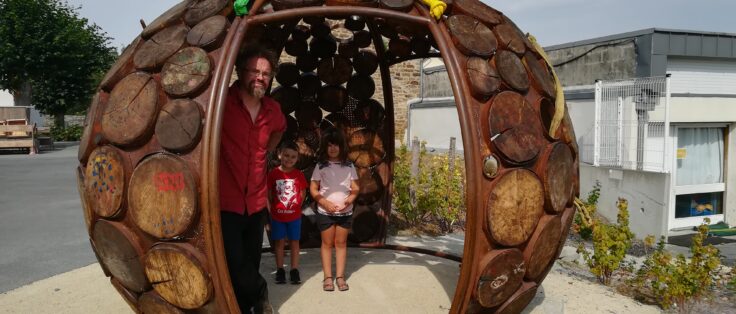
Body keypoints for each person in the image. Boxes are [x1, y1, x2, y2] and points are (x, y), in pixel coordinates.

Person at [219, 46, 285, 313]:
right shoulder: (222, 103)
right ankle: (260, 292)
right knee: (234, 261)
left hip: (256, 200)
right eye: (255, 71)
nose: (260, 78)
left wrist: (266, 151)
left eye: (266, 74)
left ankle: (247, 307)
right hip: (226, 199)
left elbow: (280, 130)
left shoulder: (272, 109)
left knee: (252, 259)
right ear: (240, 72)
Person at [309, 129, 359, 292]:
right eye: (329, 145)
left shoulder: (349, 166)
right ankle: (328, 277)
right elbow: (314, 189)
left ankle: (340, 277)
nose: (332, 148)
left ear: (342, 147)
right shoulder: (321, 166)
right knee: (327, 244)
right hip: (325, 213)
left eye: (336, 145)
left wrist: (349, 201)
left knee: (341, 243)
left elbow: (355, 189)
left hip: (345, 213)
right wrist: (324, 202)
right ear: (325, 147)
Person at [267, 141, 307, 285]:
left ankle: (294, 270)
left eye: (293, 157)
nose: (289, 159)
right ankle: (280, 269)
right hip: (278, 216)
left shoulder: (298, 175)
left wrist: (295, 207)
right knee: (279, 243)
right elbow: (270, 193)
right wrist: (274, 208)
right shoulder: (273, 174)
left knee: (294, 242)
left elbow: (302, 192)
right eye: (286, 155)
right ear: (279, 155)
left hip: (294, 216)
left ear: (297, 159)